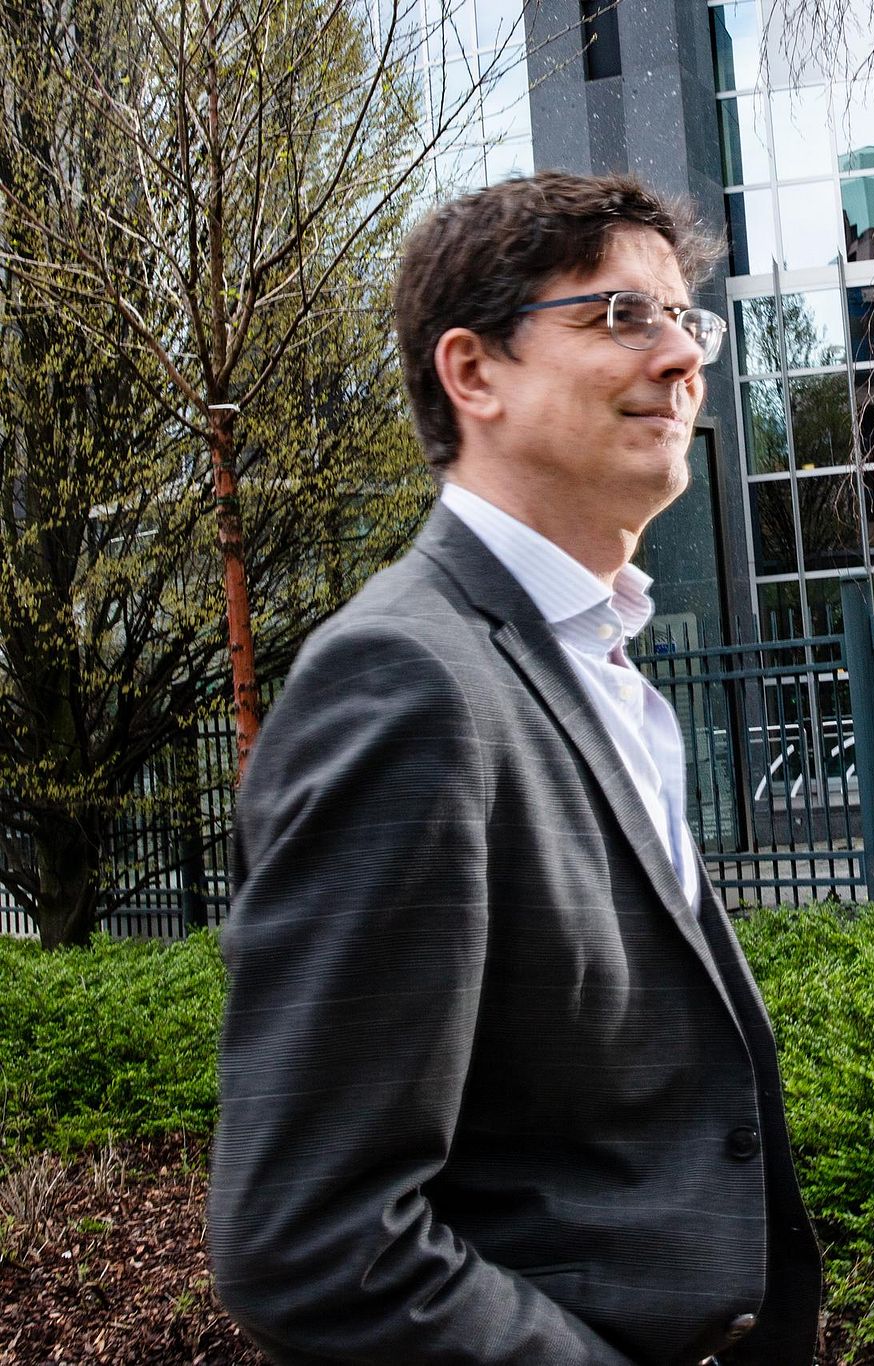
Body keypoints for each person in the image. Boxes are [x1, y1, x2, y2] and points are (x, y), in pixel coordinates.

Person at [207, 172, 822, 1365]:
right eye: (618, 317)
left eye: (685, 320)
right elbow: (314, 1239)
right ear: (472, 372)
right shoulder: (405, 682)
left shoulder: (597, 668)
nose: (679, 359)